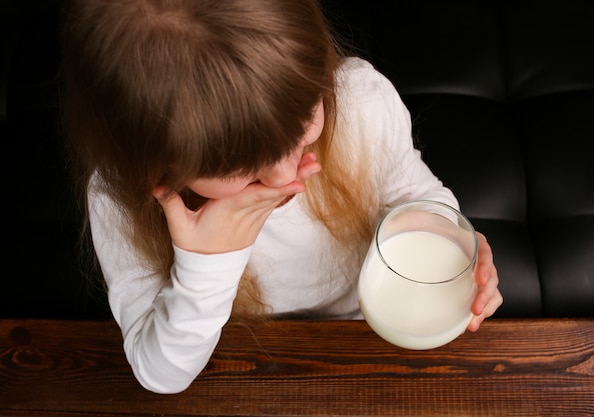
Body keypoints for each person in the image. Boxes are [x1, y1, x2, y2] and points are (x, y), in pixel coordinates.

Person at [61, 0, 503, 394]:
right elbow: (161, 374)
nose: (286, 175)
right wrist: (204, 264)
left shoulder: (361, 102)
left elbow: (412, 193)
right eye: (240, 168)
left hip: (365, 331)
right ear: (155, 166)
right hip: (237, 358)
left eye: (301, 128)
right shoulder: (117, 198)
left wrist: (448, 236)